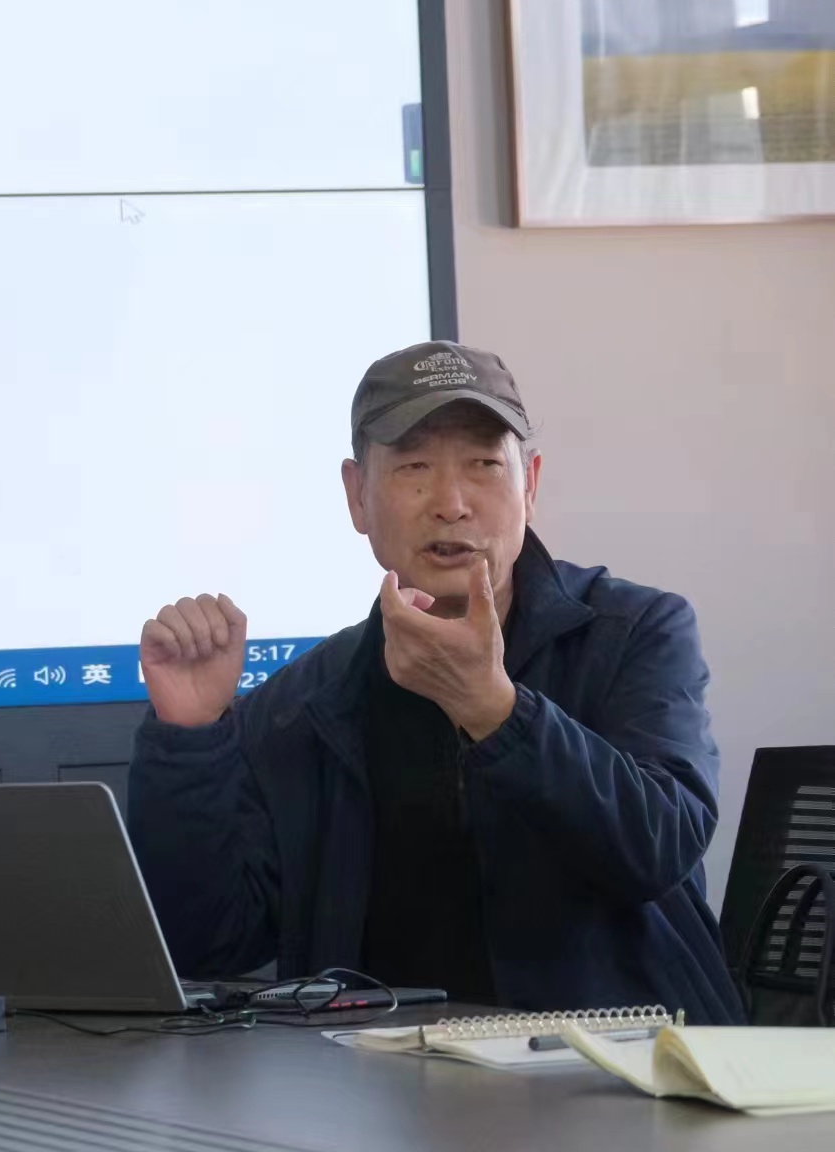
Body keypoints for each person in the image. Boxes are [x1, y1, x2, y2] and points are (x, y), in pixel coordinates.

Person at [128, 342, 745, 1024]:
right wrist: (189, 737)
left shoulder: (634, 632)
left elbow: (659, 847)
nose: (451, 503)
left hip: (620, 1060)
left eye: (484, 465)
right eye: (414, 466)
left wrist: (495, 710)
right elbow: (211, 940)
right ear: (357, 497)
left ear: (530, 484)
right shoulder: (309, 699)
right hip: (376, 1071)